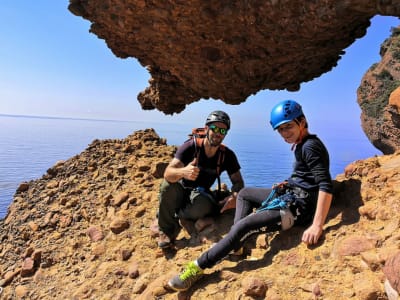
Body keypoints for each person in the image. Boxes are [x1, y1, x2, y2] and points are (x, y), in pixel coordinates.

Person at [167, 100, 333, 291]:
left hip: (297, 208)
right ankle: (236, 245)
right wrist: (289, 182)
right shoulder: (302, 143)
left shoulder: (310, 147)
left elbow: (325, 184)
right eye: (280, 130)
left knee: (244, 226)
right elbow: (307, 177)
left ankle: (196, 268)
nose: (285, 133)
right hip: (291, 194)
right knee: (244, 194)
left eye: (288, 127)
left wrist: (317, 225)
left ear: (301, 121)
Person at [156, 110, 245, 249]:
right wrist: (183, 172)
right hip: (181, 189)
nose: (218, 133)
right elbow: (168, 173)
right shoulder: (191, 147)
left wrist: (234, 195)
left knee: (203, 204)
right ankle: (167, 231)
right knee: (167, 186)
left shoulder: (227, 155)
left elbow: (238, 181)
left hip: (199, 196)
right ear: (206, 128)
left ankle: (177, 213)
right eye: (214, 128)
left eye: (223, 130)